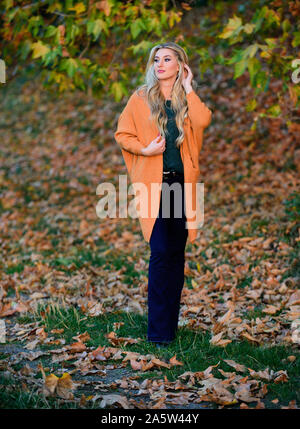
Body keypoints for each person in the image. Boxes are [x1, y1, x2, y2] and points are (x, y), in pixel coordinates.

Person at [114, 42, 212, 348]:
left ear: (180, 65)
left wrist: (188, 85)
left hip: (182, 188)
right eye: (156, 59)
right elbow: (122, 134)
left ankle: (170, 328)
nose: (160, 64)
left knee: (175, 257)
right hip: (156, 187)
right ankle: (157, 334)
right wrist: (146, 150)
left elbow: (203, 120)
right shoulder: (141, 98)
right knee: (159, 255)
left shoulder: (186, 99)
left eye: (167, 59)